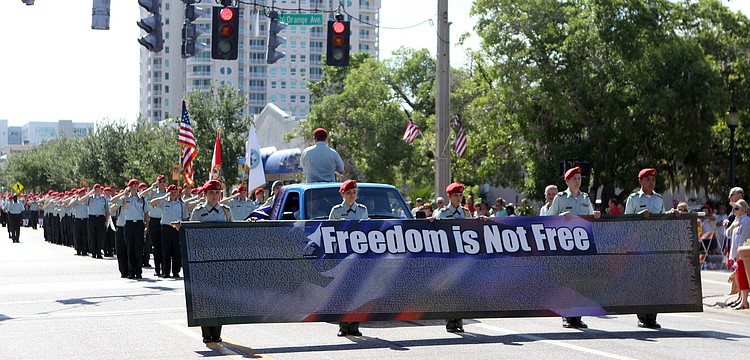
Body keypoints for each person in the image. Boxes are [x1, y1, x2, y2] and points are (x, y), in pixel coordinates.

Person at [545, 166, 601, 329]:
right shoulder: (561, 198)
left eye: (579, 178)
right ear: (567, 181)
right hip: (565, 246)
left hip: (582, 247)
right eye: (574, 179)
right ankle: (567, 315)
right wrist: (560, 217)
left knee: (580, 282)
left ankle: (577, 316)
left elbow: (590, 218)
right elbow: (548, 219)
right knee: (567, 283)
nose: (578, 181)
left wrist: (595, 215)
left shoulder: (585, 198)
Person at [624, 168, 673, 328]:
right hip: (639, 244)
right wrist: (639, 216)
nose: (651, 182)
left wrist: (672, 213)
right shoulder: (633, 199)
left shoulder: (659, 198)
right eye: (647, 180)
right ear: (640, 182)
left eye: (653, 180)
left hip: (655, 244)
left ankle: (652, 317)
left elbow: (663, 218)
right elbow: (626, 221)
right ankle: (642, 316)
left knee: (654, 281)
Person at [185, 179, 233, 343]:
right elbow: (191, 236)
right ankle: (207, 332)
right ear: (204, 194)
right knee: (205, 296)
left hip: (220, 260)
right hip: (203, 261)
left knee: (219, 296)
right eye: (211, 192)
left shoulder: (226, 211)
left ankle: (216, 332)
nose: (214, 196)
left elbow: (231, 237)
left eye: (217, 192)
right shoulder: (198, 212)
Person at [328, 179, 369, 337]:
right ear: (343, 194)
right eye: (348, 193)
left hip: (358, 256)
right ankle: (343, 325)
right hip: (342, 256)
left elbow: (368, 229)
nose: (352, 195)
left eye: (354, 192)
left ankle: (355, 325)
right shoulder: (337, 211)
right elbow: (329, 232)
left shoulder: (363, 210)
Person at [431, 182, 473, 333]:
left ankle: (459, 320)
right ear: (449, 196)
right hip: (448, 257)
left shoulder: (466, 213)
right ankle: (450, 321)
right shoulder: (442, 213)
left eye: (461, 195)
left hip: (462, 257)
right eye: (456, 195)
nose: (459, 198)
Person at [111, 179, 148, 279]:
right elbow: (113, 201)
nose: (134, 187)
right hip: (128, 224)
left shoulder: (142, 199)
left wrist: (146, 227)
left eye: (136, 185)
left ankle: (139, 271)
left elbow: (146, 213)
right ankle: (131, 272)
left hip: (139, 224)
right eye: (132, 186)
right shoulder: (125, 198)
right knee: (129, 249)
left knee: (138, 249)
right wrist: (123, 193)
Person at [150, 184, 189, 278]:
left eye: (175, 192)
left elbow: (186, 217)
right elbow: (152, 203)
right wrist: (164, 197)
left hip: (177, 229)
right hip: (166, 228)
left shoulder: (180, 204)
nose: (173, 193)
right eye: (171, 192)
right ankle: (166, 272)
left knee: (176, 251)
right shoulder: (164, 202)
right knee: (165, 250)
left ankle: (176, 271)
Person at [81, 184, 110, 259]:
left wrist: (106, 220)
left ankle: (99, 253)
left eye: (98, 189)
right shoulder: (90, 198)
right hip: (92, 218)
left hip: (100, 218)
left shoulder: (104, 199)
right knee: (92, 236)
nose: (97, 190)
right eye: (96, 189)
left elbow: (107, 210)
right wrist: (90, 193)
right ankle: (94, 253)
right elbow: (81, 200)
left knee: (100, 236)